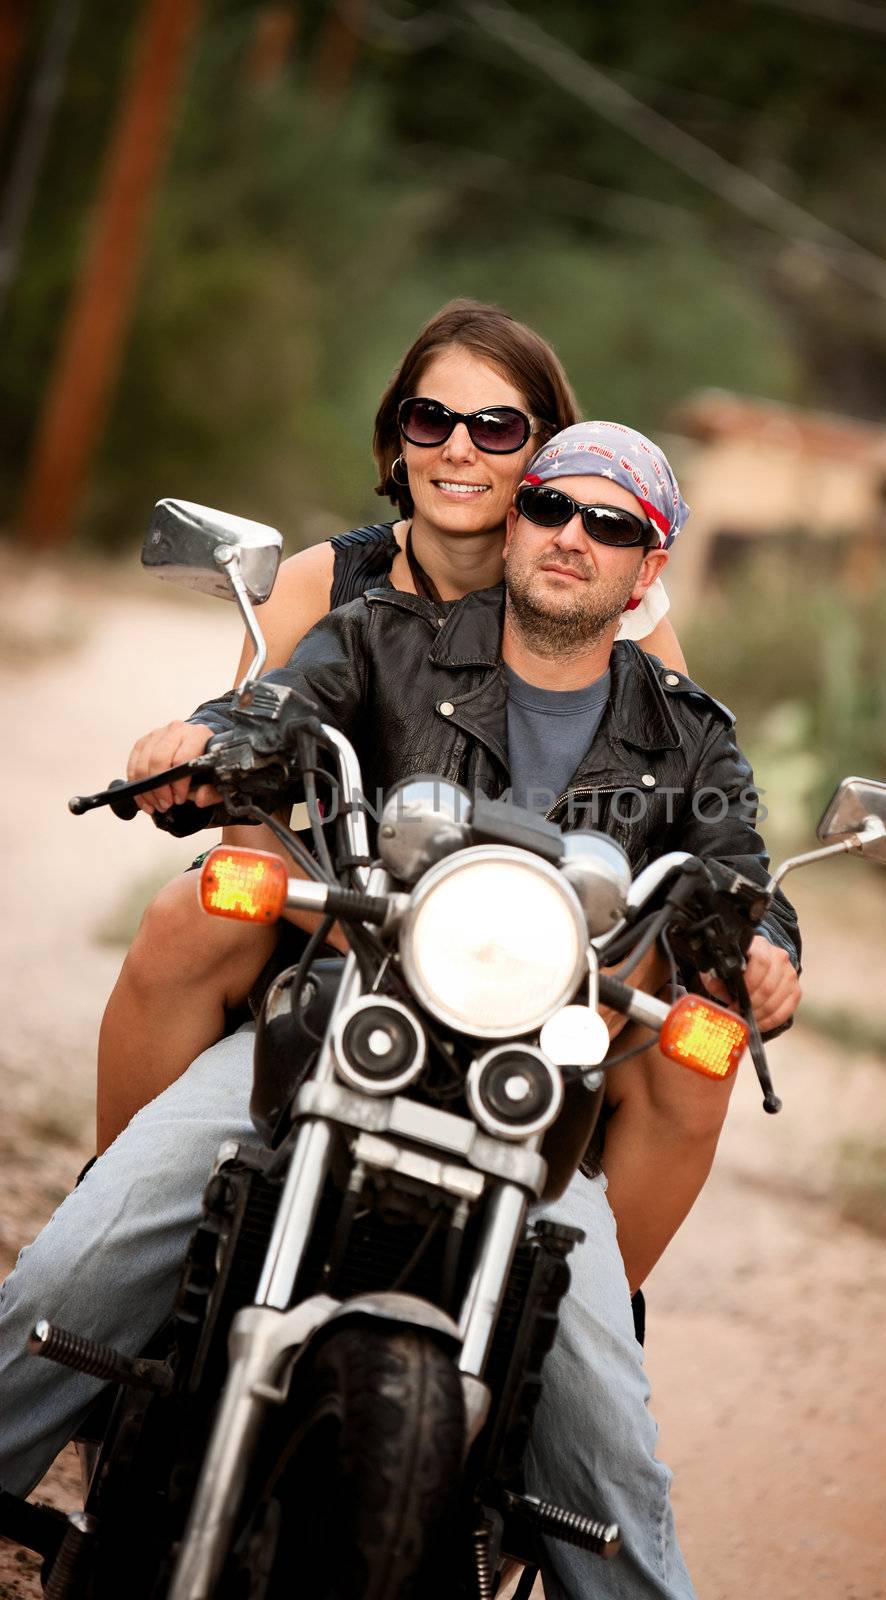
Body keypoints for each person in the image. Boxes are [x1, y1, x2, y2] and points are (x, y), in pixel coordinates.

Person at [0, 422, 800, 1599]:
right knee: (67, 1280)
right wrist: (204, 748)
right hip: (334, 1027)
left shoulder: (690, 736)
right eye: (549, 508)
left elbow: (741, 884)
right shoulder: (386, 640)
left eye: (611, 524)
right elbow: (274, 712)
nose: (571, 536)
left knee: (611, 1469)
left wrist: (767, 954)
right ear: (515, 520)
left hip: (533, 1101)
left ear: (648, 568)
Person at [97, 299, 686, 1153]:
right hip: (327, 921)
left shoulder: (606, 598)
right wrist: (200, 745)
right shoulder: (321, 584)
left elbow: (674, 790)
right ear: (397, 438)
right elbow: (249, 804)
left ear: (543, 453)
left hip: (527, 955)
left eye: (495, 427)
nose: (456, 447)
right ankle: (111, 1183)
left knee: (691, 1040)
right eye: (429, 417)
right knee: (197, 905)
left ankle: (597, 1280)